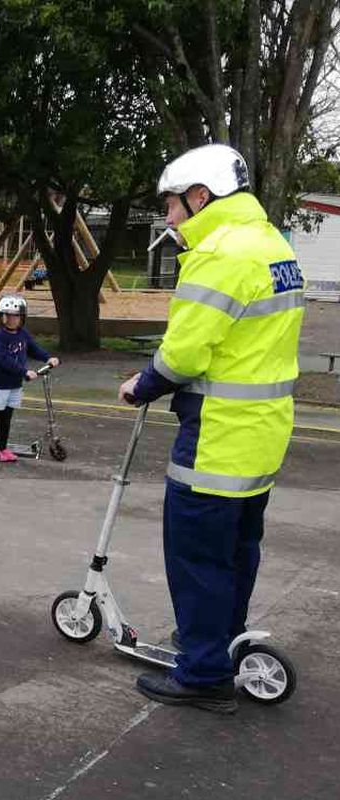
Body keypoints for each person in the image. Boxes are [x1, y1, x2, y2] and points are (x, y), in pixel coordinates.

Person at [118, 144, 304, 714]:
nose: (170, 216)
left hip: (217, 433)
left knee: (196, 555)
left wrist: (142, 385)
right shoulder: (274, 245)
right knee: (238, 549)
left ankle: (202, 674)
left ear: (202, 197)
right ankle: (218, 640)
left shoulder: (219, 254)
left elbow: (186, 354)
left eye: (173, 204)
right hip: (263, 431)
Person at [0, 295, 59, 463]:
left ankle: (3, 447)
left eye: (16, 316)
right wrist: (25, 371)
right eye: (9, 316)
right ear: (2, 317)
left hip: (15, 384)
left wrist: (48, 358)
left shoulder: (22, 334)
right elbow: (5, 361)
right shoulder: (0, 338)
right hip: (0, 384)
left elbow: (33, 349)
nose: (13, 320)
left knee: (7, 418)